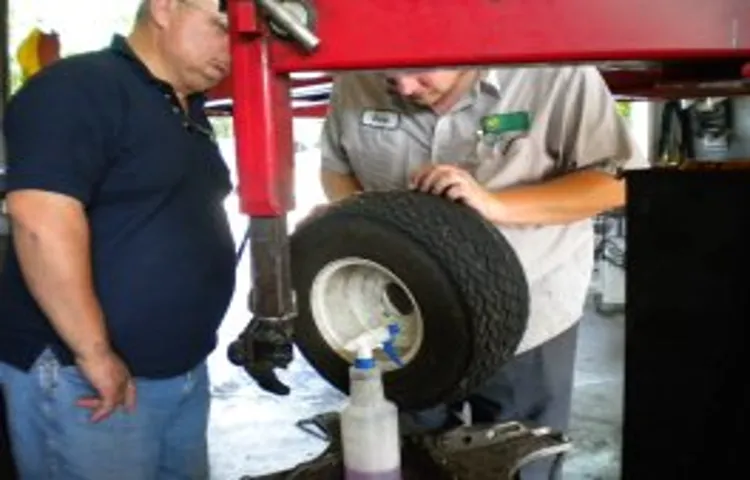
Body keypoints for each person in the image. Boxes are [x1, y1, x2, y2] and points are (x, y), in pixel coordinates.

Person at [315, 67, 649, 478]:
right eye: (390, 75)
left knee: (522, 461)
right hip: (406, 325)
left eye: (420, 73)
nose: (403, 87)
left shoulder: (556, 73)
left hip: (529, 317)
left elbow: (615, 183)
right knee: (405, 459)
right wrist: (357, 219)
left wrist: (496, 206)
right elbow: (336, 166)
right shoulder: (356, 76)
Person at [0, 1, 235, 478]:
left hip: (181, 371)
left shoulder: (186, 110)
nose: (233, 49)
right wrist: (94, 353)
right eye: (221, 27)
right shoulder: (80, 87)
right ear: (166, 8)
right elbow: (39, 219)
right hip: (88, 379)